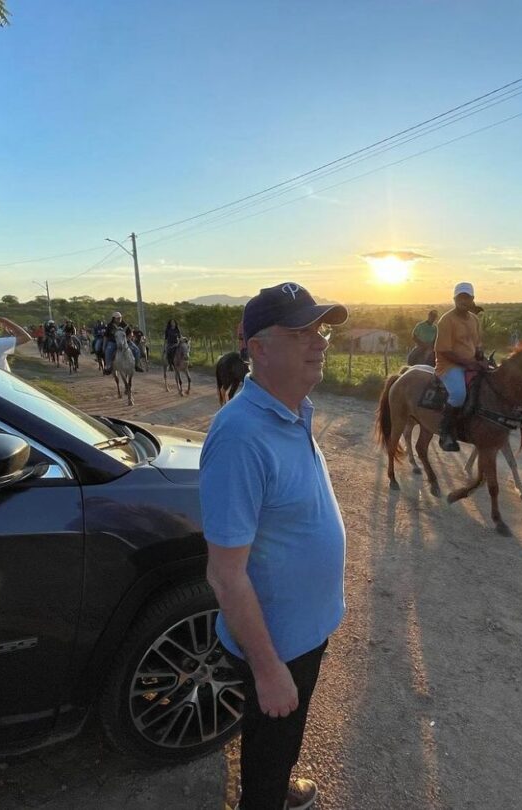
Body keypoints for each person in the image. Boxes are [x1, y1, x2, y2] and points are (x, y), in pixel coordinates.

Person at [200, 282, 348, 810]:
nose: (320, 342)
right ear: (258, 348)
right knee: (271, 739)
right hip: (277, 643)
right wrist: (267, 670)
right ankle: (264, 795)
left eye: (320, 330)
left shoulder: (293, 410)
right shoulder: (240, 436)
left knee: (283, 732)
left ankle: (274, 777)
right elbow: (225, 574)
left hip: (303, 632)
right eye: (301, 332)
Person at [434, 282, 486, 451]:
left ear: (472, 299)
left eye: (467, 297)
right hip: (449, 366)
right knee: (458, 394)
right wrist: (469, 363)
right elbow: (444, 350)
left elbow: (477, 344)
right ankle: (446, 432)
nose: (463, 301)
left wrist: (481, 358)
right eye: (460, 297)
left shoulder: (474, 319)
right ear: (454, 299)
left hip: (471, 364)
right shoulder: (446, 320)